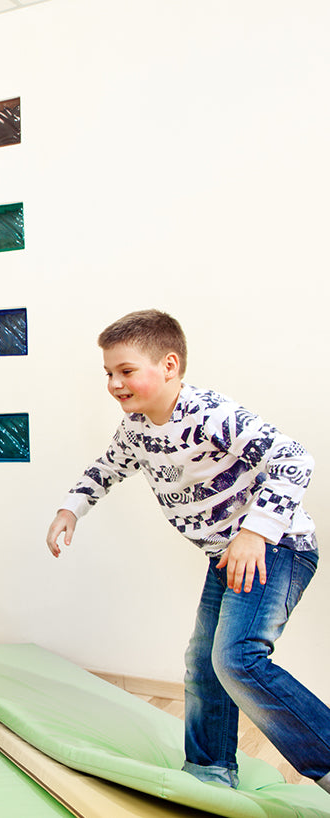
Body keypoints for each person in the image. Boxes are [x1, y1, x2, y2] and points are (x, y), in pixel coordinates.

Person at [45, 309, 330, 794]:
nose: (114, 383)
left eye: (126, 370)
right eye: (109, 373)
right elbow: (107, 468)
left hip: (277, 545)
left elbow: (294, 458)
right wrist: (71, 509)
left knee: (237, 658)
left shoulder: (209, 413)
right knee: (203, 662)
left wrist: (256, 532)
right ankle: (210, 770)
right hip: (228, 556)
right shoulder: (137, 427)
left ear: (170, 365)